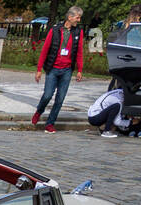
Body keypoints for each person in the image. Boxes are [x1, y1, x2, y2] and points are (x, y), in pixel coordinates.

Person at [34, 5, 85, 133]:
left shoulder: (78, 32)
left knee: (60, 98)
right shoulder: (55, 30)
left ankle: (50, 124)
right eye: (77, 18)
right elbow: (45, 50)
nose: (79, 20)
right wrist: (39, 69)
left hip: (66, 70)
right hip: (53, 68)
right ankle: (39, 110)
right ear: (70, 17)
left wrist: (79, 70)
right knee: (47, 95)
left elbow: (79, 52)